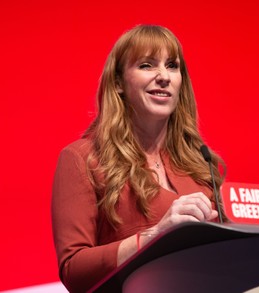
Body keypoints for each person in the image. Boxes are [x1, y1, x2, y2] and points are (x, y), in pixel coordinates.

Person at [51, 24, 226, 293]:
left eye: (172, 65)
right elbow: (73, 269)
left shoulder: (202, 165)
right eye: (146, 65)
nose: (163, 76)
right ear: (119, 83)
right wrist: (154, 236)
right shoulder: (83, 159)